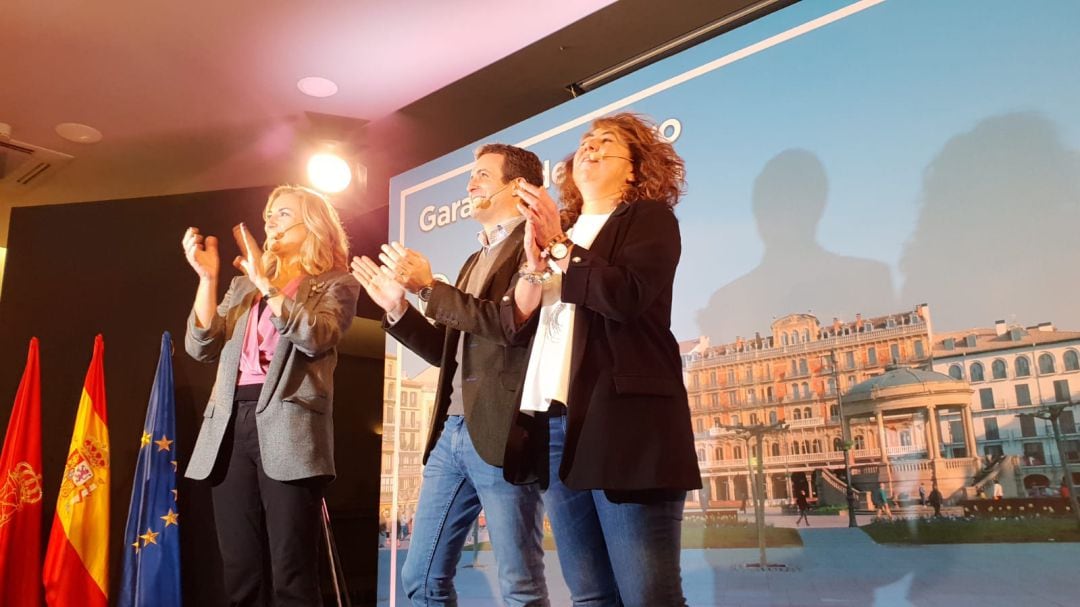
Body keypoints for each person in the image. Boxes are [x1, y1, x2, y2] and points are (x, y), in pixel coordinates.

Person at [508, 112, 701, 607]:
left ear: (635, 168)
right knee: (590, 596)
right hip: (553, 428)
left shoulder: (649, 219)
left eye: (605, 143)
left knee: (648, 597)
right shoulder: (561, 230)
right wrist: (534, 271)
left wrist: (558, 246)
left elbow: (626, 297)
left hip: (623, 427)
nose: (589, 148)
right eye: (586, 142)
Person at [351, 144, 549, 606]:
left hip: (503, 432)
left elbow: (507, 328)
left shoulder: (536, 244)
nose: (469, 184)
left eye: (481, 174)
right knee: (420, 578)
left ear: (517, 186)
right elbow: (450, 353)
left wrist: (428, 287)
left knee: (520, 584)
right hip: (452, 435)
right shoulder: (471, 260)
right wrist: (399, 308)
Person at [182, 185, 360, 605]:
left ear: (311, 224)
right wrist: (207, 279)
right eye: (268, 217)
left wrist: (272, 287)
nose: (269, 223)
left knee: (292, 571)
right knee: (240, 568)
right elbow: (201, 346)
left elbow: (317, 337)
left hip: (289, 426)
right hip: (228, 424)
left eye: (281, 214)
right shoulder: (245, 286)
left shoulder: (336, 283)